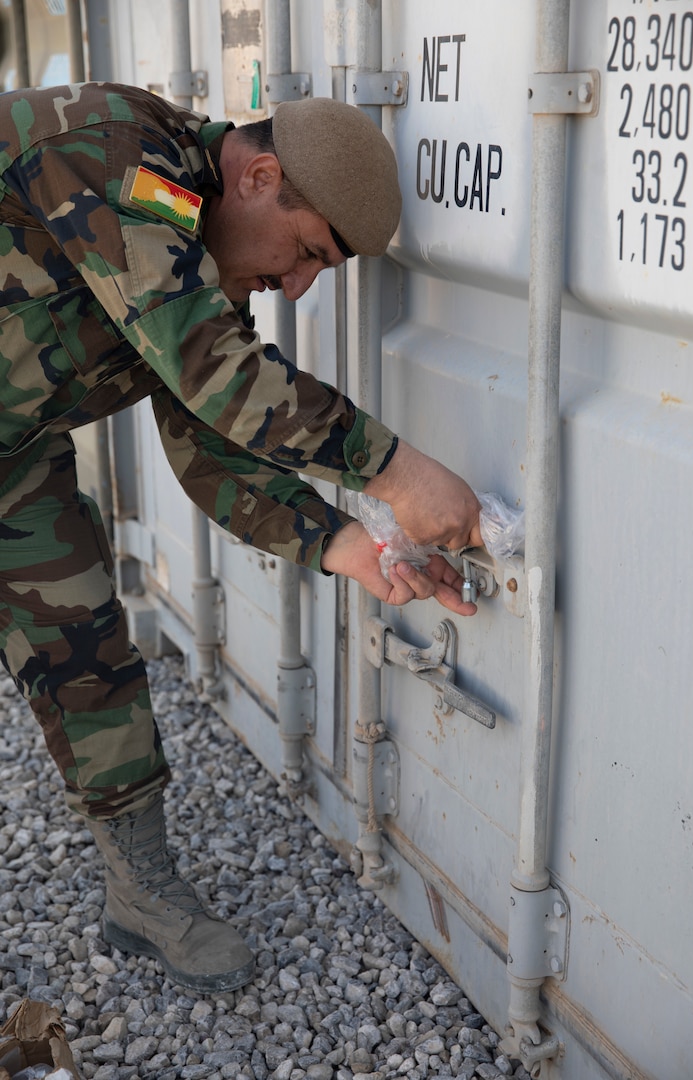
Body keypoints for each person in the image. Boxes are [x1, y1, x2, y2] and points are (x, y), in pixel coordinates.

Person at [0, 82, 483, 994]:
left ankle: (139, 893)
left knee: (85, 643)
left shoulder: (190, 242)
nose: (298, 286)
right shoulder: (117, 154)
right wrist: (397, 471)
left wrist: (359, 551)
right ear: (261, 175)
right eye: (305, 253)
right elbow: (210, 371)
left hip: (11, 455)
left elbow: (213, 447)